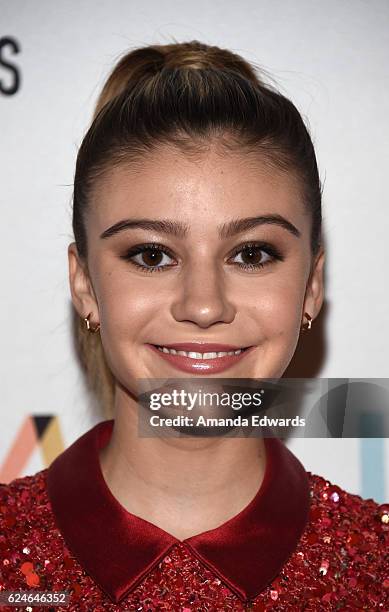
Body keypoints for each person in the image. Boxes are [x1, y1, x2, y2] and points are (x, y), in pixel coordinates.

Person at [1, 40, 388, 612]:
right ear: (84, 283)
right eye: (153, 255)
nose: (203, 306)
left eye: (252, 254)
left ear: (311, 285)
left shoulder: (377, 568)